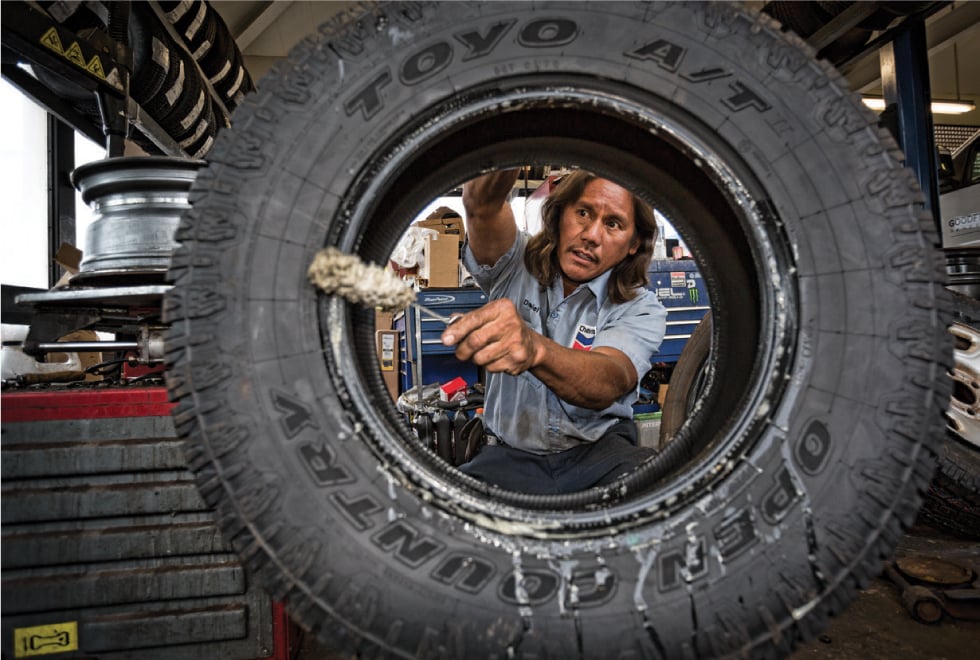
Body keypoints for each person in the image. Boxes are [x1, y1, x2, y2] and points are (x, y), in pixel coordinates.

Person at [440, 169, 667, 494]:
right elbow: (482, 203)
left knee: (656, 505)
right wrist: (521, 129)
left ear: (633, 245)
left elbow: (608, 379)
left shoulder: (640, 307)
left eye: (613, 224)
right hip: (509, 459)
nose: (591, 235)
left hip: (600, 456)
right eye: (583, 212)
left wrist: (535, 349)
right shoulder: (515, 264)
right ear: (560, 215)